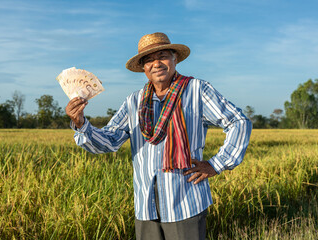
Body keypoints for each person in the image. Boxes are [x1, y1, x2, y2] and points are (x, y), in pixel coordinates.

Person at [65, 32, 252, 240]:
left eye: (162, 55)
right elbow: (109, 140)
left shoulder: (196, 90)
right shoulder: (134, 101)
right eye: (149, 59)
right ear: (143, 68)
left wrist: (216, 164)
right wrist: (81, 123)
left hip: (185, 202)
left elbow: (239, 122)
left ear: (175, 59)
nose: (156, 63)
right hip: (146, 205)